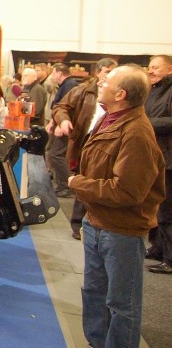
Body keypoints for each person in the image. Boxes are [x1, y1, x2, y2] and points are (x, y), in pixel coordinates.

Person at [67, 65, 165, 348]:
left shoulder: (136, 133)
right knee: (95, 293)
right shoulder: (111, 118)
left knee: (122, 304)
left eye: (107, 81)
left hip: (120, 230)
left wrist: (77, 183)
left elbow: (126, 192)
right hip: (98, 222)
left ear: (120, 93)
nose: (100, 81)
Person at [52, 58, 117, 240]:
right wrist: (62, 120)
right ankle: (79, 224)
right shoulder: (84, 90)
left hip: (111, 141)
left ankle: (98, 225)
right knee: (84, 182)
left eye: (113, 72)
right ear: (98, 72)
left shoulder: (118, 92)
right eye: (106, 71)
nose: (109, 75)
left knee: (102, 184)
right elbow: (61, 106)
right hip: (87, 141)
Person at [145, 54, 172, 273]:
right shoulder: (154, 89)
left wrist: (147, 123)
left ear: (170, 69)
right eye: (149, 67)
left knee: (167, 210)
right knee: (157, 207)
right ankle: (158, 248)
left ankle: (170, 259)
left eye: (155, 67)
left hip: (169, 158)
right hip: (156, 155)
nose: (151, 70)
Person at [45, 63, 82, 197]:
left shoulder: (69, 85)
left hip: (66, 125)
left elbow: (68, 107)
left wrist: (61, 124)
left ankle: (66, 186)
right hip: (63, 123)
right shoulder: (67, 85)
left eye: (53, 73)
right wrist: (54, 122)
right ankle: (64, 185)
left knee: (56, 154)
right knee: (56, 154)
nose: (52, 76)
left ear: (60, 73)